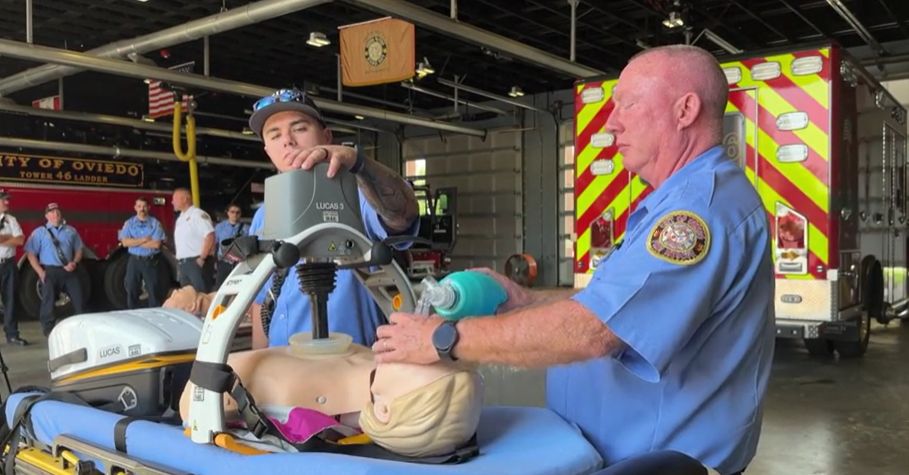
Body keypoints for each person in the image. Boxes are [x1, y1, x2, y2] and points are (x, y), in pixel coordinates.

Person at [372, 45, 775, 475]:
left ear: (685, 110)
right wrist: (526, 301)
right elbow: (614, 305)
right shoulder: (677, 201)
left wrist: (443, 340)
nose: (612, 121)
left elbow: (595, 332)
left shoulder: (697, 214)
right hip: (615, 454)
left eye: (629, 104)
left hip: (658, 465)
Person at [165, 87, 419, 349]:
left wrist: (360, 165)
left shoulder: (360, 195)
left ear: (326, 136)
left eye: (299, 128)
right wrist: (259, 364)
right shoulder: (265, 214)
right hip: (285, 369)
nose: (287, 140)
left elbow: (403, 215)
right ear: (267, 150)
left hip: (350, 366)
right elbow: (262, 300)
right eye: (274, 135)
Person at [177, 344, 483, 458]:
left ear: (384, 409)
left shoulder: (299, 393)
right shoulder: (367, 358)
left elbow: (194, 396)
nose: (421, 350)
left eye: (422, 365)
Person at [25, 202, 86, 336]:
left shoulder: (71, 230)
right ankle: (48, 329)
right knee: (48, 302)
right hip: (51, 272)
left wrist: (75, 262)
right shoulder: (40, 232)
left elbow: (79, 249)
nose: (55, 214)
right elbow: (30, 254)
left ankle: (81, 325)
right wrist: (41, 272)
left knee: (79, 299)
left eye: (57, 211)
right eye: (52, 212)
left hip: (70, 271)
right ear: (46, 216)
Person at [118, 197, 166, 308]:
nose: (142, 209)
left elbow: (156, 244)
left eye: (144, 206)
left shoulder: (155, 224)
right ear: (135, 208)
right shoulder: (129, 223)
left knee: (153, 290)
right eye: (139, 206)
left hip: (150, 261)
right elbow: (125, 242)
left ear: (149, 207)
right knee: (131, 288)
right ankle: (132, 315)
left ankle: (154, 315)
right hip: (134, 261)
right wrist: (144, 240)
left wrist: (134, 242)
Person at [172, 188, 215, 293]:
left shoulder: (198, 215)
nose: (172, 202)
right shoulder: (180, 218)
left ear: (185, 199)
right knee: (188, 297)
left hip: (196, 262)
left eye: (175, 199)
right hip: (184, 264)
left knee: (201, 296)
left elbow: (210, 236)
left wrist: (202, 258)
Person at [0, 190, 26, 346]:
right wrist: (10, 238)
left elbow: (21, 240)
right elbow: (14, 239)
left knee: (11, 300)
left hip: (9, 264)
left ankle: (12, 335)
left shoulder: (11, 220)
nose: (7, 203)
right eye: (4, 200)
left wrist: (3, 239)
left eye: (7, 200)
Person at [213, 203, 249, 288]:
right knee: (220, 287)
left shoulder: (246, 228)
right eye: (232, 212)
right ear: (228, 213)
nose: (235, 214)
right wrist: (214, 261)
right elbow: (215, 244)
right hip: (223, 261)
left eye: (237, 212)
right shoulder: (220, 227)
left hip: (239, 262)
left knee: (237, 287)